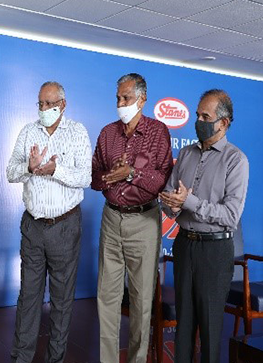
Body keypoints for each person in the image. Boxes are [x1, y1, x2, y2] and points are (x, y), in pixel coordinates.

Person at [159, 89, 249, 363]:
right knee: (183, 323)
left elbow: (231, 215)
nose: (198, 120)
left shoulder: (236, 160)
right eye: (197, 115)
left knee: (210, 327)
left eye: (205, 116)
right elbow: (168, 194)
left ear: (224, 122)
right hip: (185, 244)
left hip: (215, 250)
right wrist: (172, 206)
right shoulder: (185, 154)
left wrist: (190, 201)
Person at [7, 81, 92, 363]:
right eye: (40, 104)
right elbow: (10, 172)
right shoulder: (29, 131)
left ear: (62, 105)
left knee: (61, 301)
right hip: (33, 226)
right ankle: (21, 358)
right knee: (28, 298)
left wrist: (57, 169)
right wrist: (29, 168)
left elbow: (85, 178)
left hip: (65, 227)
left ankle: (54, 359)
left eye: (49, 104)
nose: (43, 109)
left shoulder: (77, 132)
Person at [92, 73, 173, 363]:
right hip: (111, 220)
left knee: (141, 301)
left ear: (142, 99)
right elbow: (94, 180)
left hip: (144, 222)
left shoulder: (158, 132)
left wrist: (131, 173)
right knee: (107, 298)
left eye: (125, 98)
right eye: (117, 98)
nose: (120, 103)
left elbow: (160, 182)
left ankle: (138, 360)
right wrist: (108, 175)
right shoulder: (107, 134)